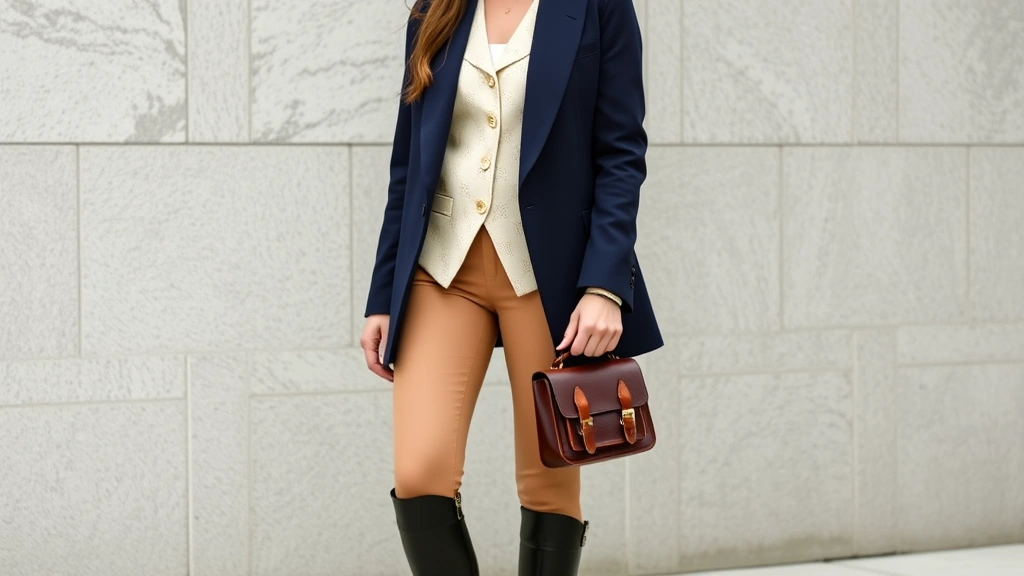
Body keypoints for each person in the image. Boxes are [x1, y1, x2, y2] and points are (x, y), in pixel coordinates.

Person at [360, 0, 661, 573]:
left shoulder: (597, 7)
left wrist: (604, 285)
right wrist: (382, 296)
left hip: (548, 277)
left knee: (549, 483)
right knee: (419, 472)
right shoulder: (435, 9)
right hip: (441, 270)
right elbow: (408, 163)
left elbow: (622, 152)